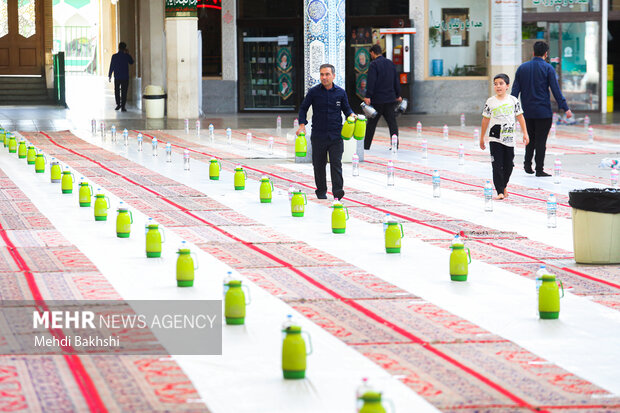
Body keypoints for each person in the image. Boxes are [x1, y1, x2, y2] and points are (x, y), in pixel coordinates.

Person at [511, 41, 572, 176]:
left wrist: (511, 109)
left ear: (533, 53)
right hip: (543, 112)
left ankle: (527, 165)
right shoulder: (548, 68)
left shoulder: (522, 68)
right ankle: (539, 169)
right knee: (541, 140)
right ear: (546, 54)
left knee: (530, 138)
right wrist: (565, 108)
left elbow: (515, 91)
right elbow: (555, 90)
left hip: (527, 112)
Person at [297, 64, 354, 200]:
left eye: (327, 74)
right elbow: (303, 108)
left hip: (336, 135)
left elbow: (347, 109)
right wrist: (301, 125)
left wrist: (351, 115)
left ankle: (338, 191)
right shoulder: (313, 92)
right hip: (318, 135)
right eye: (322, 74)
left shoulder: (341, 92)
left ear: (333, 76)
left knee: (336, 164)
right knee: (318, 165)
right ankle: (321, 191)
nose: (324, 77)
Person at [480, 74, 529, 199]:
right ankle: (500, 192)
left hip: (509, 138)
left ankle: (504, 186)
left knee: (508, 165)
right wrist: (482, 137)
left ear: (507, 86)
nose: (498, 86)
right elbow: (485, 120)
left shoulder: (513, 100)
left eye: (501, 83)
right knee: (496, 165)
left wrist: (525, 133)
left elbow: (520, 117)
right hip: (494, 138)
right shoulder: (490, 102)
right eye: (495, 84)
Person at [363, 44, 401, 150]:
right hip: (390, 99)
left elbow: (371, 82)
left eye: (370, 54)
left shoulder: (373, 65)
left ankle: (366, 146)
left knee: (371, 124)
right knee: (392, 123)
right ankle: (395, 145)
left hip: (378, 100)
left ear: (373, 53)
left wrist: (368, 96)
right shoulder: (391, 64)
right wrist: (398, 95)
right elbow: (396, 81)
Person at [108, 42, 134, 112]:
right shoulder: (126, 56)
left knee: (116, 91)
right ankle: (123, 106)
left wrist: (110, 75)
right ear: (125, 48)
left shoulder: (114, 56)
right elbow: (132, 62)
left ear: (118, 47)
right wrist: (128, 53)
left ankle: (118, 104)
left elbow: (112, 66)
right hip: (125, 77)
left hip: (117, 77)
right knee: (124, 92)